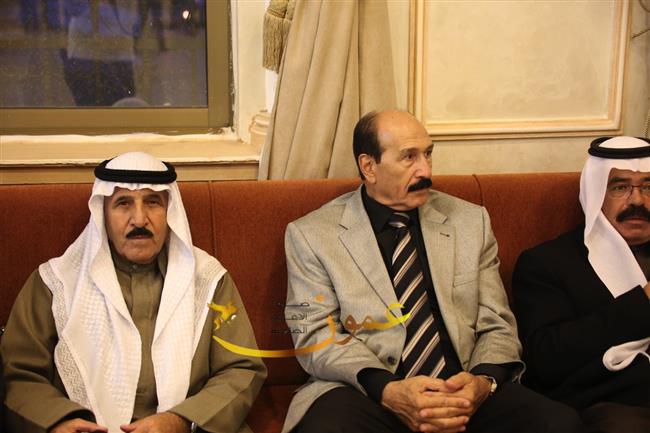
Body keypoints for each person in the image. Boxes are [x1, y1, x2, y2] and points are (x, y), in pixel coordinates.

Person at [281, 110, 585, 433]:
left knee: (559, 424)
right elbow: (317, 335)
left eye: (428, 154)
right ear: (369, 166)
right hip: (368, 392)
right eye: (409, 157)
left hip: (461, 388)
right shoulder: (313, 235)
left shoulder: (470, 222)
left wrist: (482, 381)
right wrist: (387, 389)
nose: (425, 170)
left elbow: (497, 323)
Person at [1, 152, 266, 433]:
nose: (139, 220)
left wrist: (180, 420)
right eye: (123, 203)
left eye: (152, 202)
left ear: (169, 211)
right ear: (103, 214)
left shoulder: (210, 280)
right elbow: (18, 373)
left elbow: (242, 368)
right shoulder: (56, 283)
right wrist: (57, 421)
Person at [513, 136, 650, 432]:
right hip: (608, 405)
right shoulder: (547, 263)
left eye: (649, 187)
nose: (638, 201)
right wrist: (642, 304)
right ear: (595, 192)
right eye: (620, 187)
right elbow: (546, 360)